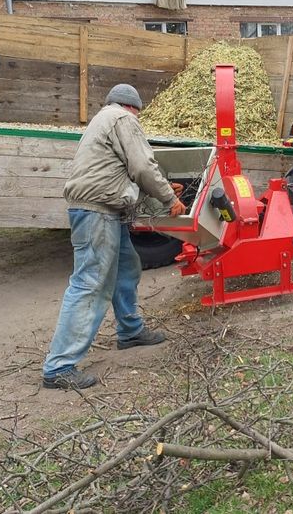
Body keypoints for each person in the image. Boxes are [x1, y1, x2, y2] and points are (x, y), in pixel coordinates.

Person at [42, 84, 186, 390]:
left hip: (105, 211)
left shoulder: (101, 121)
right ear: (132, 107)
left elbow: (117, 173)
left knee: (126, 267)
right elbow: (142, 165)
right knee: (91, 283)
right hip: (97, 213)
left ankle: (130, 331)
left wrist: (160, 194)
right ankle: (59, 366)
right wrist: (169, 199)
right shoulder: (123, 119)